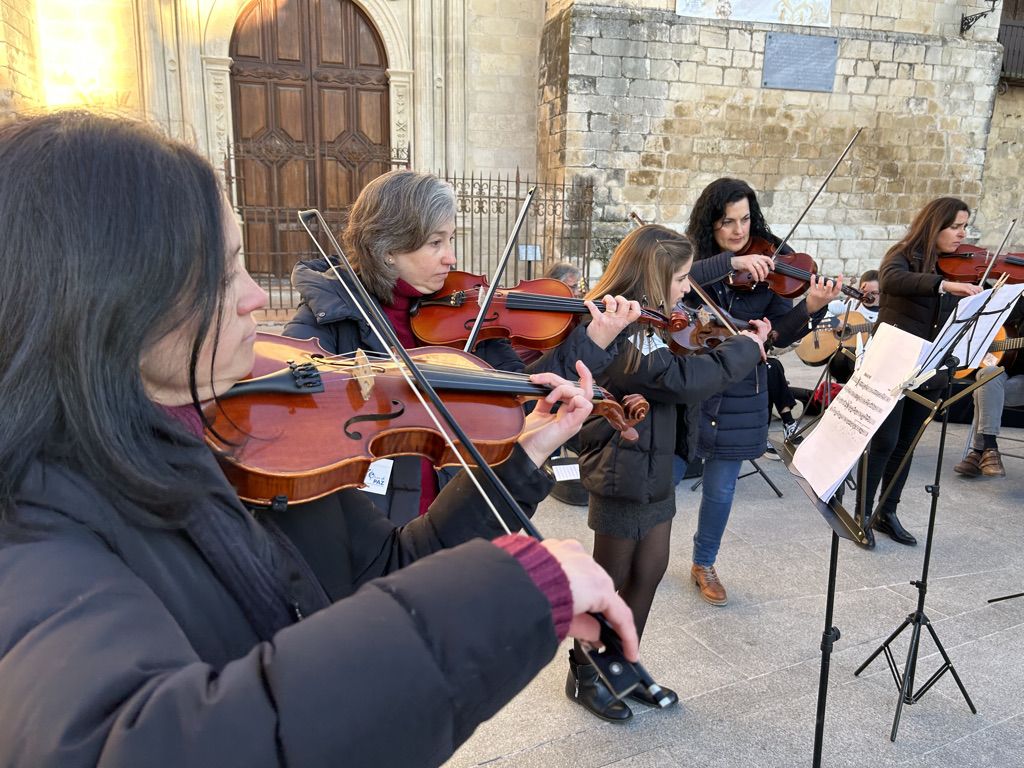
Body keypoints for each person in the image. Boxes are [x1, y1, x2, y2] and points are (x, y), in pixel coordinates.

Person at [0, 111, 639, 767]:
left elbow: (386, 570)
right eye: (225, 272)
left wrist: (521, 460)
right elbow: (132, 743)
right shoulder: (33, 529)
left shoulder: (250, 440)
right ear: (103, 299)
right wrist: (505, 594)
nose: (256, 298)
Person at [284, 171, 639, 523]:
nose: (451, 258)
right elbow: (292, 418)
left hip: (453, 507)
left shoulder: (464, 311)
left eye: (450, 240)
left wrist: (595, 339)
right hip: (373, 520)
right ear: (388, 247)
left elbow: (522, 391)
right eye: (435, 243)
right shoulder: (327, 317)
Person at [570, 224, 770, 722]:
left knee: (650, 570)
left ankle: (623, 664)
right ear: (653, 278)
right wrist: (744, 348)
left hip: (657, 466)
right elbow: (683, 380)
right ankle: (585, 672)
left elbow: (685, 353)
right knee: (611, 579)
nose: (687, 289)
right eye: (680, 278)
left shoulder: (657, 322)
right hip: (624, 465)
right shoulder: (624, 328)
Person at [681, 178, 842, 604]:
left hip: (739, 391)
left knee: (720, 489)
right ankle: (643, 550)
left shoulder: (772, 265)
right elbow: (669, 282)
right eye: (727, 222)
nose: (738, 231)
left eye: (745, 220)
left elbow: (776, 338)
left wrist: (808, 307)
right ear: (709, 225)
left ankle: (704, 561)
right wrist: (731, 264)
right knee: (664, 475)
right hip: (688, 381)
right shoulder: (693, 259)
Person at [857, 197, 982, 547]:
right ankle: (862, 514)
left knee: (907, 444)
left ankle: (887, 512)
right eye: (955, 226)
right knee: (884, 441)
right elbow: (892, 280)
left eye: (964, 227)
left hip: (931, 367)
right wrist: (943, 285)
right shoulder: (903, 255)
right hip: (892, 362)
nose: (962, 234)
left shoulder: (958, 266)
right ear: (935, 225)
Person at [953, 302, 1024, 478]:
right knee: (987, 374)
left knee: (981, 391)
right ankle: (990, 448)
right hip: (1008, 374)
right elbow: (994, 317)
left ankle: (979, 451)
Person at [825, 269, 881, 387]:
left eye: (874, 293)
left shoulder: (886, 313)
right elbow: (816, 312)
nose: (867, 296)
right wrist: (833, 322)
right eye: (864, 291)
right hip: (841, 361)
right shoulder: (849, 304)